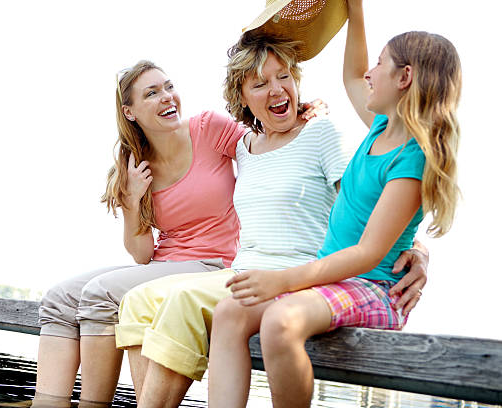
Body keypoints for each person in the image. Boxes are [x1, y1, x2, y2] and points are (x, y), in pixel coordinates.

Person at [114, 32, 430, 408]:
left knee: (183, 300)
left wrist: (417, 248)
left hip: (296, 274)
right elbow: (187, 159)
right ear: (242, 98)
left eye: (284, 77)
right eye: (260, 84)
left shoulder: (321, 134)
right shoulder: (244, 147)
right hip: (243, 272)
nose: (277, 90)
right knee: (136, 302)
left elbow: (368, 204)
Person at [207, 0, 461, 406]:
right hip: (335, 283)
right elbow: (349, 73)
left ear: (404, 78)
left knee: (279, 322)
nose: (368, 72)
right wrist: (354, 8)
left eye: (380, 64)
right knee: (230, 312)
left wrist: (282, 281)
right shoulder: (381, 125)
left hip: (374, 287)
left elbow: (367, 253)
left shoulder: (412, 157)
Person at [33, 60, 324, 407]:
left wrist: (296, 120)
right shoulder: (134, 161)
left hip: (215, 264)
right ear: (130, 112)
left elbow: (261, 146)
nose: (166, 98)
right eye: (152, 93)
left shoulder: (208, 129)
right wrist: (130, 201)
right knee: (58, 298)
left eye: (168, 87)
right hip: (164, 265)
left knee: (100, 293)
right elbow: (142, 255)